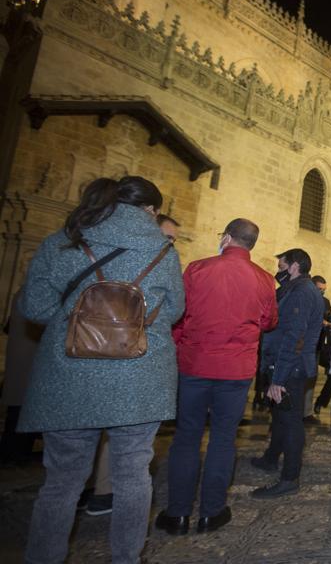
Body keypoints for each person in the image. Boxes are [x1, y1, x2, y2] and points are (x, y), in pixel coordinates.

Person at [18, 176, 184, 563]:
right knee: (133, 474)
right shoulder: (163, 250)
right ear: (151, 210)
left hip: (71, 370)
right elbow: (175, 310)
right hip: (139, 373)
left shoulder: (64, 240)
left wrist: (78, 319)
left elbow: (35, 307)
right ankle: (126, 558)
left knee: (61, 480)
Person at [154, 218, 277, 535]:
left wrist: (178, 348)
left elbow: (178, 315)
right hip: (235, 371)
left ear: (227, 238)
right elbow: (268, 322)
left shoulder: (198, 268)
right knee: (223, 438)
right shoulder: (264, 279)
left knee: (187, 436)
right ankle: (212, 512)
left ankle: (178, 514)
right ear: (251, 244)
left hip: (195, 365)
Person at [87, 212, 185, 516]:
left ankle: (102, 490)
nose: (170, 244)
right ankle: (106, 493)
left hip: (120, 352)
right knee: (126, 441)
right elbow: (175, 309)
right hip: (122, 353)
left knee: (118, 431)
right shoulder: (158, 261)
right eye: (167, 237)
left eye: (173, 240)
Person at [250, 248, 324, 499]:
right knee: (281, 416)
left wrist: (279, 378)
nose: (278, 271)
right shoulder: (296, 289)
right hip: (287, 364)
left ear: (295, 266)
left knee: (291, 421)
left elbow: (295, 337)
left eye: (282, 267)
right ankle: (271, 457)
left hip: (292, 367)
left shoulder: (301, 292)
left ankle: (290, 478)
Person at [0, 289, 43, 466]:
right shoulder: (37, 293)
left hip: (25, 357)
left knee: (19, 406)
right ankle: (14, 453)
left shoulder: (24, 292)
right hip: (31, 358)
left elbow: (7, 327)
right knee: (23, 408)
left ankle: (15, 451)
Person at [303, 275, 331, 423]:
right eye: (319, 289)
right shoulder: (304, 299)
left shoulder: (325, 302)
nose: (322, 293)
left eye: (323, 290)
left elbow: (330, 318)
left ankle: (307, 412)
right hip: (302, 344)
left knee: (311, 378)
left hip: (317, 345)